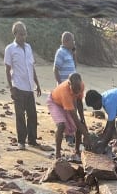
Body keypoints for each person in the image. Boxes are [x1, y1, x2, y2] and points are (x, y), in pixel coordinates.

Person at [5, 21, 42, 150]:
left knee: (32, 115)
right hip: (18, 87)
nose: (23, 37)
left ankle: (32, 140)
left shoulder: (28, 47)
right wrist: (11, 88)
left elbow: (32, 67)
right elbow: (7, 70)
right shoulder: (10, 49)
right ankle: (21, 141)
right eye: (21, 34)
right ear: (15, 34)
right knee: (20, 115)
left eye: (25, 34)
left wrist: (37, 83)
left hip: (29, 87)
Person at [46, 72, 91, 160]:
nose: (77, 91)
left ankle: (77, 151)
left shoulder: (81, 86)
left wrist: (83, 120)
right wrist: (86, 135)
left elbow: (79, 102)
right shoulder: (65, 92)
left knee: (79, 124)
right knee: (61, 125)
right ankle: (58, 155)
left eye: (79, 89)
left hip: (67, 103)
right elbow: (75, 120)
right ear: (69, 84)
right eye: (75, 89)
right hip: (55, 102)